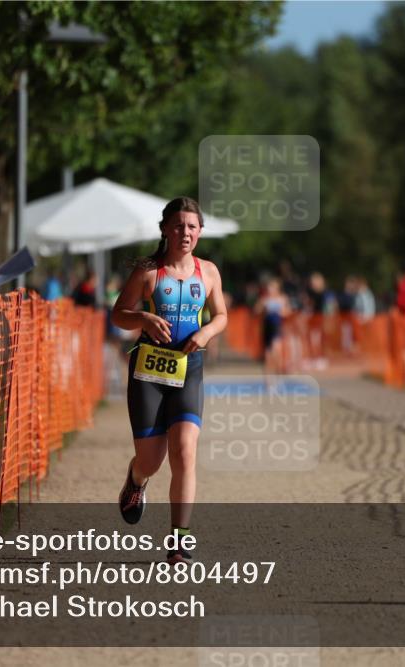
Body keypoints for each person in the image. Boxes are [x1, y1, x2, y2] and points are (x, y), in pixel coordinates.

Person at [110, 196, 228, 564]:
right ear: (165, 229)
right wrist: (144, 320)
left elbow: (222, 314)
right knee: (152, 461)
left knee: (185, 452)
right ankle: (136, 478)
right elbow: (119, 315)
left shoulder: (207, 271)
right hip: (149, 372)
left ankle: (179, 541)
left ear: (200, 232)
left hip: (188, 368)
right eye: (178, 225)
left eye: (192, 227)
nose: (185, 233)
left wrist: (207, 332)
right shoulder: (148, 270)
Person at [255, 278, 290, 369]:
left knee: (276, 349)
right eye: (269, 287)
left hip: (276, 326)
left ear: (277, 288)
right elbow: (256, 311)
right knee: (267, 353)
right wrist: (263, 307)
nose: (270, 289)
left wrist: (280, 312)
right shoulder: (264, 299)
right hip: (267, 327)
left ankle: (278, 371)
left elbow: (287, 312)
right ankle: (269, 380)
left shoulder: (282, 298)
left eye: (272, 287)